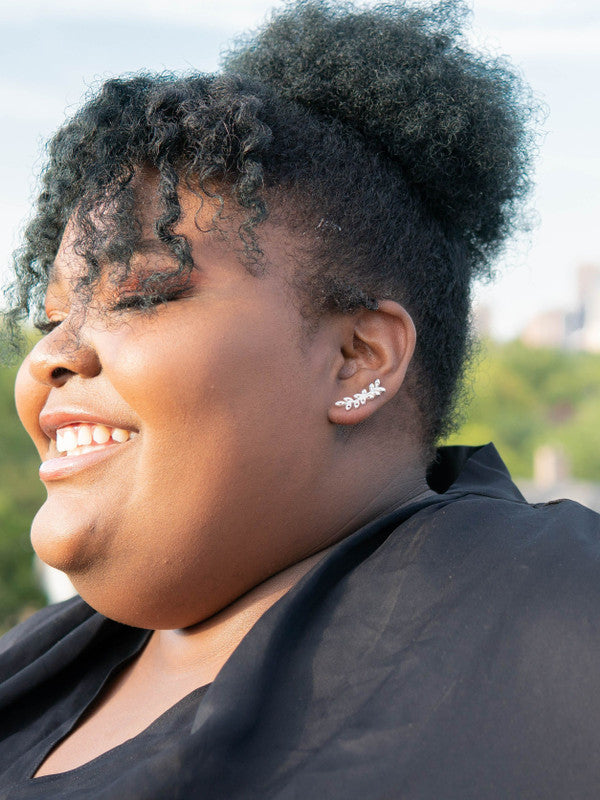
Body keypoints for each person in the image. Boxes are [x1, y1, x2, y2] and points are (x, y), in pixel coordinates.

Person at [1, 1, 599, 797]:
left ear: (356, 359)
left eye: (140, 295)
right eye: (50, 320)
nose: (49, 356)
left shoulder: (562, 627)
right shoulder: (30, 664)